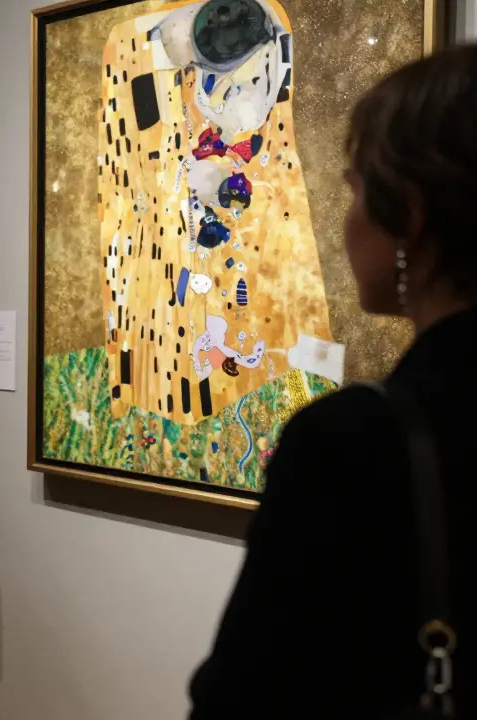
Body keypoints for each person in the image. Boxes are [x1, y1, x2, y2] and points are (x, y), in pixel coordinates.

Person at [188, 44, 477, 718]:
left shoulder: (355, 443)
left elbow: (246, 695)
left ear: (408, 212)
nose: (345, 222)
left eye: (353, 189)